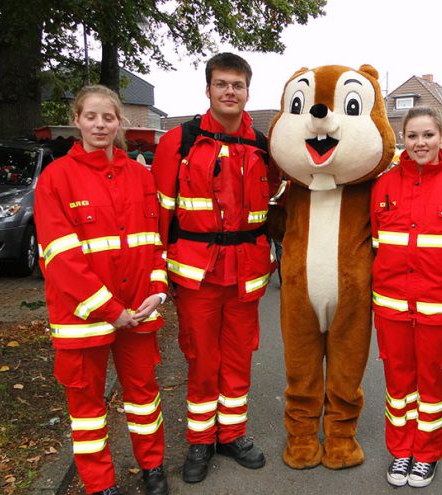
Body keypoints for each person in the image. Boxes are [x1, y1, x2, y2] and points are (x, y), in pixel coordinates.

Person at [34, 85, 169, 495]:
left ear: (119, 122)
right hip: (83, 319)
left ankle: (153, 467)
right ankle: (99, 484)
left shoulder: (141, 177)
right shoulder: (56, 179)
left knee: (144, 396)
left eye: (107, 117)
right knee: (87, 409)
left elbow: (155, 244)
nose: (99, 124)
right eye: (91, 116)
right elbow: (61, 260)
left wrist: (158, 291)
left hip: (138, 311)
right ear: (77, 120)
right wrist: (112, 310)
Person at [151, 52, 274, 484]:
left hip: (246, 273)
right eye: (221, 84)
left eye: (237, 85)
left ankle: (233, 435)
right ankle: (201, 440)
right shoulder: (178, 142)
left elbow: (273, 201)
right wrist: (157, 273)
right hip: (197, 273)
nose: (229, 92)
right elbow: (159, 213)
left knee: (239, 357)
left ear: (247, 92)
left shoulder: (262, 145)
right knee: (202, 359)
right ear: (207, 89)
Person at [371, 106, 442, 488]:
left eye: (427, 135)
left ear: (441, 137)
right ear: (403, 139)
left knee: (432, 386)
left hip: (441, 309)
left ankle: (426, 454)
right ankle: (401, 451)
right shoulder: (384, 186)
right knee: (398, 385)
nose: (420, 143)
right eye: (412, 136)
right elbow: (378, 246)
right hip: (393, 307)